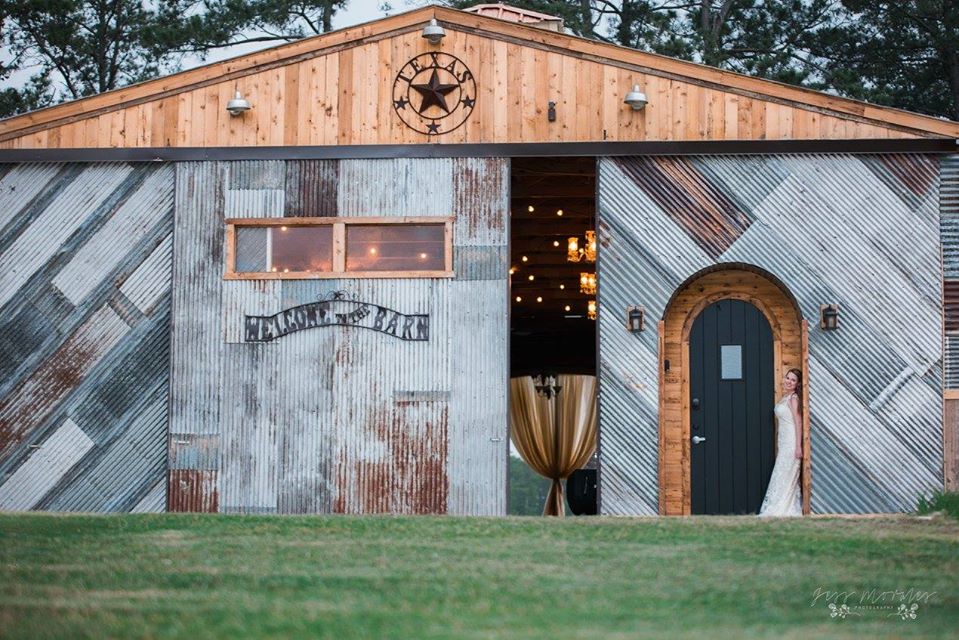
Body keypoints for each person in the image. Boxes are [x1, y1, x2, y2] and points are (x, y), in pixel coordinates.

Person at [757, 368, 803, 517]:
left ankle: (783, 509)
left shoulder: (793, 399)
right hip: (783, 442)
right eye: (787, 378)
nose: (789, 381)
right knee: (781, 474)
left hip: (791, 443)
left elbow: (798, 422)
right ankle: (776, 506)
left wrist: (798, 446)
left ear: (797, 384)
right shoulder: (785, 398)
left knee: (787, 474)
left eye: (793, 380)